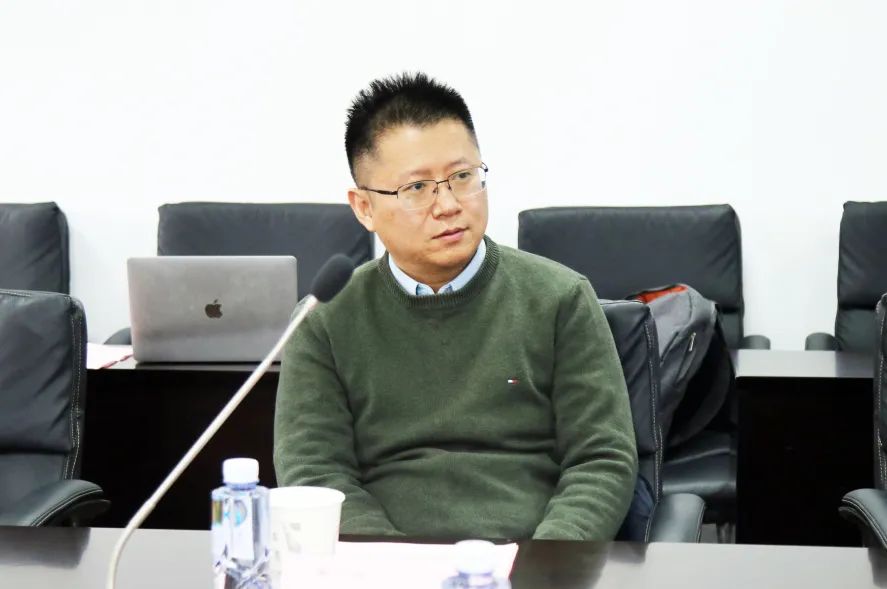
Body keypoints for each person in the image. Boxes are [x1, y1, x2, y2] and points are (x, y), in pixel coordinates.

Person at [273, 72, 638, 540]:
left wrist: (545, 563)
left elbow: (601, 459)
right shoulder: (324, 318)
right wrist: (392, 564)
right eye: (417, 188)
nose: (448, 204)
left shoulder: (560, 297)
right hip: (385, 562)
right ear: (364, 207)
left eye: (462, 177)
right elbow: (316, 472)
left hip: (528, 556)